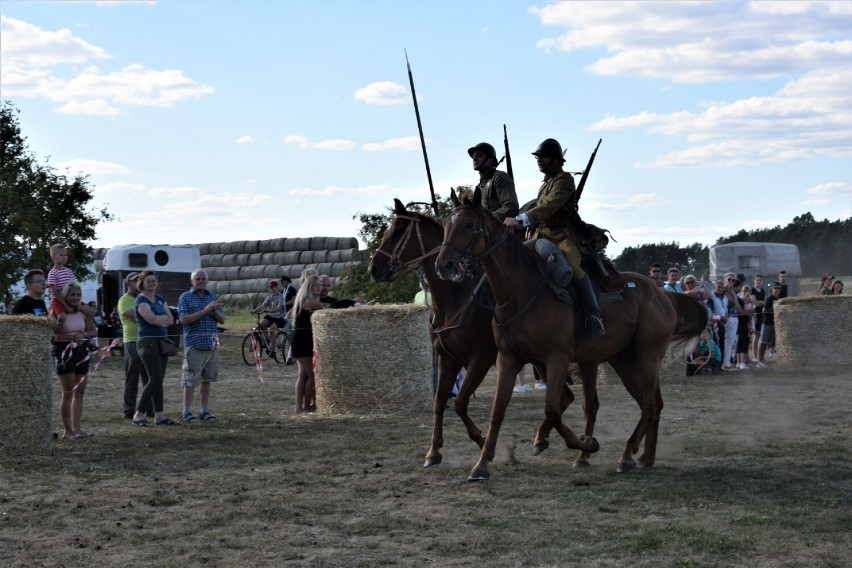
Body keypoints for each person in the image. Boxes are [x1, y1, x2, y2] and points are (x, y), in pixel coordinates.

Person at [503, 138, 604, 339]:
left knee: (573, 267)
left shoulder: (565, 180)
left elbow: (550, 205)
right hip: (540, 235)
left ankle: (594, 315)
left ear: (557, 160)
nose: (539, 160)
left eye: (544, 157)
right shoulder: (546, 183)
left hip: (563, 235)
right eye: (538, 157)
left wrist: (522, 218)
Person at [131, 270, 178, 427]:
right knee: (155, 378)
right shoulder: (141, 301)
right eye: (148, 281)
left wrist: (162, 320)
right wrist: (163, 319)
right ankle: (138, 414)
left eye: (153, 280)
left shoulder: (159, 299)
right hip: (148, 342)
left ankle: (159, 415)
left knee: (159, 380)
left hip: (162, 341)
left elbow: (171, 319)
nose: (151, 283)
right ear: (142, 283)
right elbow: (150, 320)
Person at [51, 282, 97, 439]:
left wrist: (83, 336)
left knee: (80, 392)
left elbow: (93, 331)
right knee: (68, 392)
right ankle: (68, 430)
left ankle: (77, 429)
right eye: (72, 295)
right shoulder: (58, 313)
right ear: (65, 296)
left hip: (81, 351)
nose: (75, 298)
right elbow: (53, 336)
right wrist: (71, 336)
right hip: (64, 352)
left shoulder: (83, 312)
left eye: (78, 295)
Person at [178, 269, 225, 423]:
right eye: (197, 279)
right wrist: (205, 311)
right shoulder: (185, 297)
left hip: (211, 345)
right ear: (192, 281)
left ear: (207, 280)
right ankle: (186, 412)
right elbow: (184, 319)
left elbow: (222, 320)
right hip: (194, 345)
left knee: (207, 379)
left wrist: (214, 312)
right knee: (190, 379)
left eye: (203, 279)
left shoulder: (213, 297)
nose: (201, 281)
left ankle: (204, 410)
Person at [289, 274, 326, 413]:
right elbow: (326, 307)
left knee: (304, 375)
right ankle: (305, 407)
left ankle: (301, 407)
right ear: (309, 287)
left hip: (304, 339)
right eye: (316, 285)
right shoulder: (308, 301)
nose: (319, 287)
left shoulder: (303, 300)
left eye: (320, 285)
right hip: (302, 340)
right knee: (312, 375)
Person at [118, 272, 153, 419]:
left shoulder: (143, 298)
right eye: (134, 281)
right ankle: (129, 409)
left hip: (146, 340)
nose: (138, 283)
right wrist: (150, 316)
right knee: (132, 377)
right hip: (132, 341)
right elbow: (138, 318)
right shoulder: (124, 300)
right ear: (128, 284)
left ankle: (149, 408)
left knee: (149, 377)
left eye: (139, 281)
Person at [468, 142, 519, 221]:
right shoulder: (480, 186)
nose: (474, 159)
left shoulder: (499, 177)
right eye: (473, 156)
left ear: (490, 159)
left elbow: (511, 207)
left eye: (479, 155)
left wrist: (485, 219)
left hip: (502, 228)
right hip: (486, 231)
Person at [251, 279, 286, 359]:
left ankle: (273, 352)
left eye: (273, 287)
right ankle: (269, 340)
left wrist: (270, 310)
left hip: (279, 318)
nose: (271, 289)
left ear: (277, 287)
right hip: (270, 316)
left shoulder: (281, 297)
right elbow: (262, 306)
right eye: (270, 287)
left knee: (272, 330)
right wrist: (254, 311)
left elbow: (278, 308)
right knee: (260, 326)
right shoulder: (269, 297)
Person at [756, 283, 783, 367]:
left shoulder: (778, 299)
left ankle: (763, 359)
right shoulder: (769, 299)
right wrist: (775, 309)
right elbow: (764, 310)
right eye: (775, 288)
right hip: (767, 323)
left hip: (773, 323)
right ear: (772, 289)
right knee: (763, 341)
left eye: (779, 289)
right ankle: (760, 360)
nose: (777, 290)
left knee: (770, 342)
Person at [750, 274, 766, 362]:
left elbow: (764, 302)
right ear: (754, 281)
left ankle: (759, 356)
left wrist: (761, 302)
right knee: (756, 335)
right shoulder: (752, 290)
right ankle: (754, 356)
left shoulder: (763, 290)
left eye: (760, 280)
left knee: (760, 335)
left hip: (762, 314)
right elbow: (755, 302)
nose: (758, 281)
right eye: (757, 280)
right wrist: (761, 302)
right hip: (755, 314)